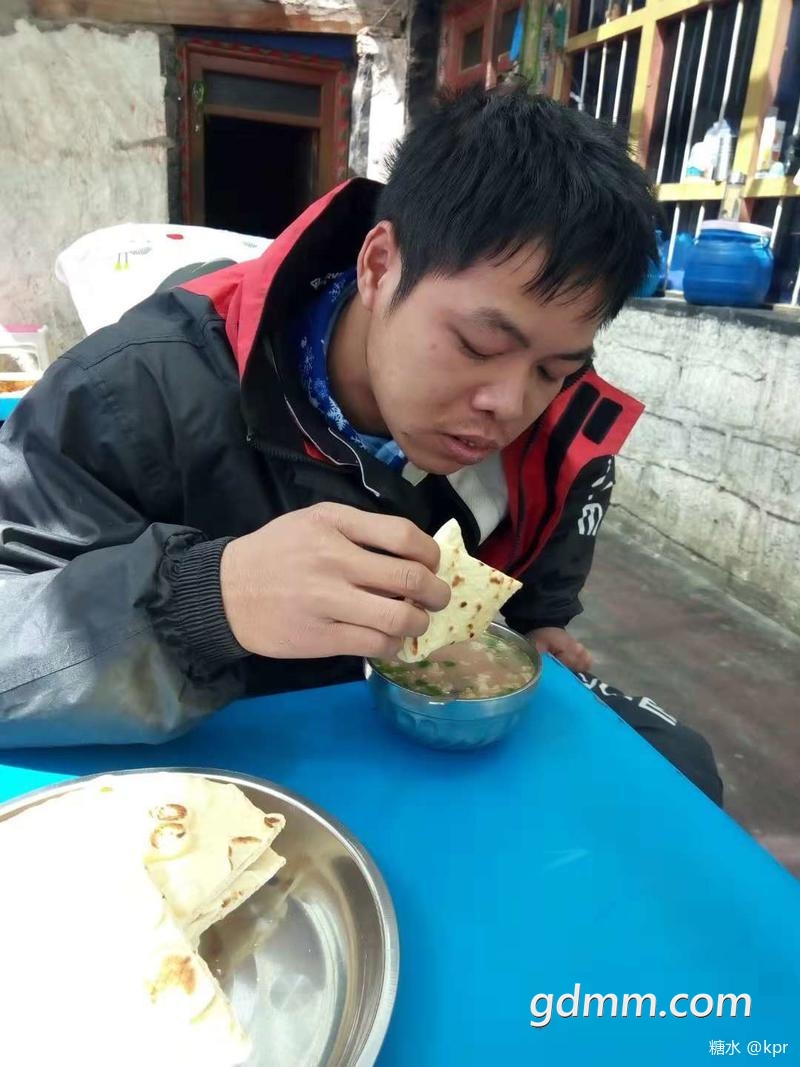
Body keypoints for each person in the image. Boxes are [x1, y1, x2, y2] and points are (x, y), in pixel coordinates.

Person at [0, 85, 721, 803]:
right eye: (478, 345)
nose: (509, 406)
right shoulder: (128, 391)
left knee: (683, 770)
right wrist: (210, 600)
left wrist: (539, 625)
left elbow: (543, 578)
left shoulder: (558, 429)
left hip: (425, 774)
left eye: (553, 370)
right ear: (378, 267)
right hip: (201, 788)